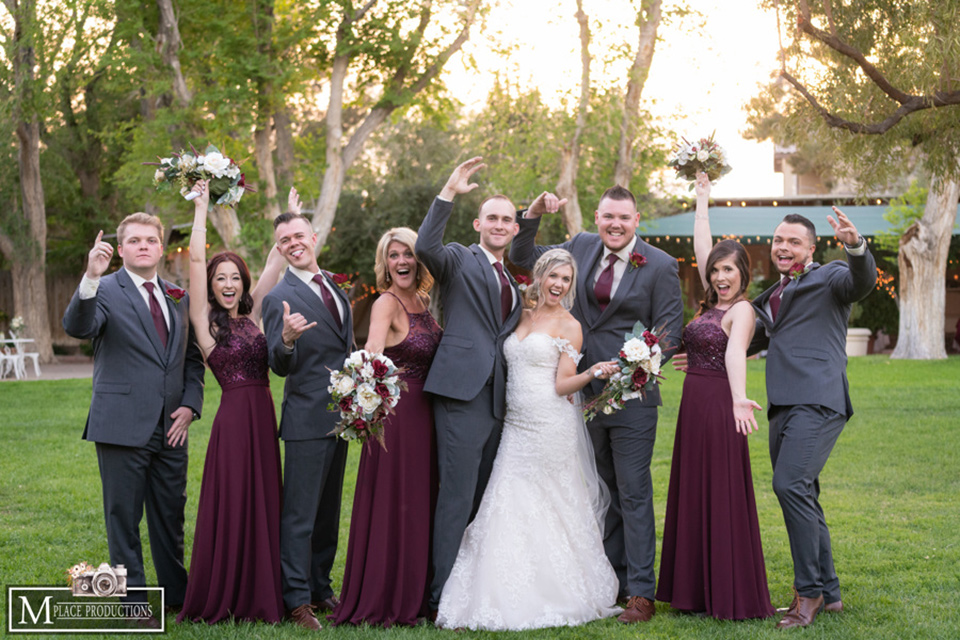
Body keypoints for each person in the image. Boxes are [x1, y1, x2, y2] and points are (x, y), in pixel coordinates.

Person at [510, 185, 684, 623]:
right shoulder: (581, 245)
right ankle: (611, 582)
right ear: (597, 216)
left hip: (632, 398)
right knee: (598, 489)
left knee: (633, 491)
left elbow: (668, 330)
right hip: (577, 393)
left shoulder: (661, 265)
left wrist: (632, 368)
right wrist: (530, 211)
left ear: (637, 219)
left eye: (623, 218)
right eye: (608, 216)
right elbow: (523, 254)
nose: (615, 224)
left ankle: (642, 593)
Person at [437, 249, 621, 630]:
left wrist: (590, 374)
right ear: (539, 276)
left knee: (549, 503)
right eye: (553, 276)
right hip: (514, 424)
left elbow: (561, 385)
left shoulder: (570, 325)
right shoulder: (519, 313)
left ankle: (555, 586)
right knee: (505, 497)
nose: (558, 284)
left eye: (566, 279)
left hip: (549, 423)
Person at [63, 214, 205, 628]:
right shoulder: (104, 290)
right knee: (123, 518)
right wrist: (90, 276)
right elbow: (78, 326)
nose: (144, 246)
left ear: (162, 248)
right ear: (121, 250)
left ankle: (176, 596)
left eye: (151, 240)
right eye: (134, 241)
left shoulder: (177, 296)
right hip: (121, 424)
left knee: (170, 515)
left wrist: (190, 404)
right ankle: (134, 603)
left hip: (172, 427)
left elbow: (192, 359)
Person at [415, 157, 532, 616]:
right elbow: (426, 245)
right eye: (494, 218)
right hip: (460, 394)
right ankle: (440, 597)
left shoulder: (513, 279)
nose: (501, 225)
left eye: (509, 219)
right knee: (458, 496)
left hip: (499, 399)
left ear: (515, 227)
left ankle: (471, 588)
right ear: (478, 223)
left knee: (483, 499)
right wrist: (448, 190)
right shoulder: (459, 260)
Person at [655, 172, 774, 619]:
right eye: (716, 270)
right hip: (694, 405)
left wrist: (739, 398)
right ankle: (694, 591)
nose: (720, 275)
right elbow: (703, 246)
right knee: (695, 490)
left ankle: (727, 591)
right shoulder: (712, 301)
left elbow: (737, 354)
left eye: (729, 269)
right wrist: (702, 201)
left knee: (720, 492)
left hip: (722, 406)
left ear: (744, 273)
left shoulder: (742, 309)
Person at [751, 207, 877, 629]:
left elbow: (862, 282)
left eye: (793, 242)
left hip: (819, 401)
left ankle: (808, 594)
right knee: (803, 493)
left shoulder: (830, 277)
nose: (783, 247)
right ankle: (832, 591)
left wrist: (855, 246)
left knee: (788, 484)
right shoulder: (770, 295)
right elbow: (745, 338)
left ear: (811, 247)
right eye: (778, 240)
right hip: (781, 405)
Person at [176, 181, 288, 624]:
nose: (227, 283)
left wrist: (287, 220)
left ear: (242, 284)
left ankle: (262, 589)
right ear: (211, 284)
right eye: (220, 279)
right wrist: (202, 207)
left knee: (263, 502)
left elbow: (276, 260)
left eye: (234, 278)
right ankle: (225, 589)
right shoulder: (204, 322)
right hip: (233, 422)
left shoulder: (255, 313)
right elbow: (198, 258)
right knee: (233, 501)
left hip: (264, 419)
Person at [330, 227, 442, 627]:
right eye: (393, 255)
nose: (401, 262)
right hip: (398, 418)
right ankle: (386, 594)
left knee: (422, 503)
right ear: (385, 263)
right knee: (397, 504)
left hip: (429, 414)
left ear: (419, 259)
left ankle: (420, 590)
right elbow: (371, 359)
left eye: (408, 254)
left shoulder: (425, 301)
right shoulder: (386, 303)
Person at [261, 209, 354, 631]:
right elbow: (277, 364)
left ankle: (320, 587)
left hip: (343, 416)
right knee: (300, 514)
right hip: (304, 418)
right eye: (285, 241)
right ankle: (296, 600)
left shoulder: (335, 286)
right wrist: (286, 340)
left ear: (313, 237)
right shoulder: (277, 297)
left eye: (299, 235)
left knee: (328, 512)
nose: (293, 243)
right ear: (279, 249)